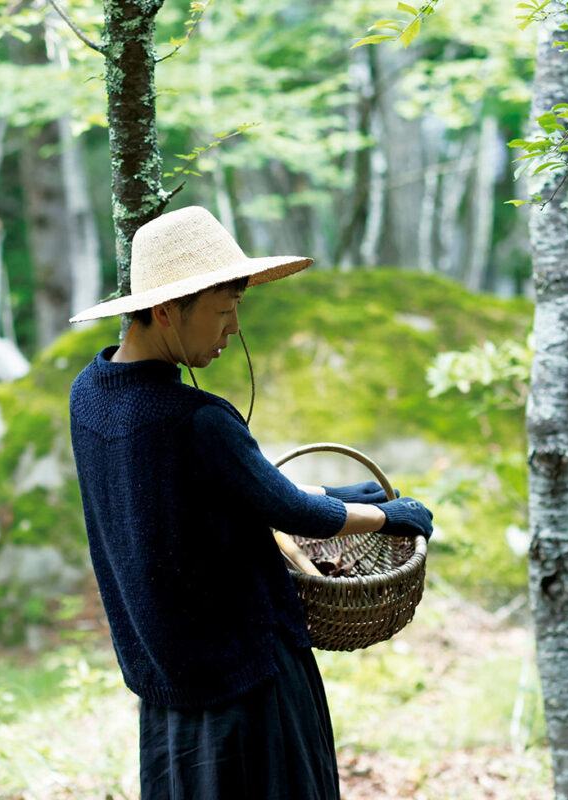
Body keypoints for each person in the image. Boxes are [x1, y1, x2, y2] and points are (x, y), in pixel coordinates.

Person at [68, 205, 433, 800]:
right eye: (224, 310)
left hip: (164, 671)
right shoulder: (195, 419)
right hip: (244, 676)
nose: (234, 328)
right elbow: (293, 512)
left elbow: (235, 490)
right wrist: (390, 515)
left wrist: (338, 494)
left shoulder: (89, 395)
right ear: (165, 310)